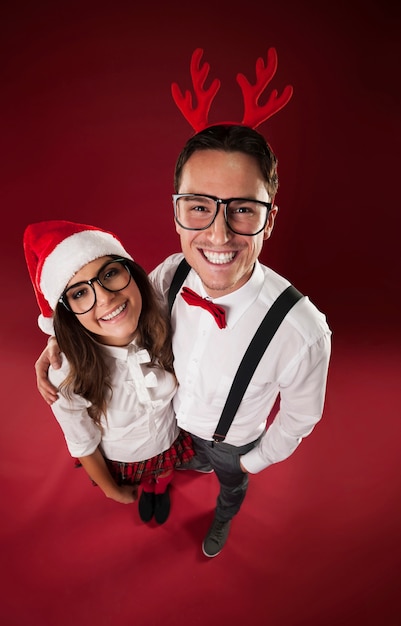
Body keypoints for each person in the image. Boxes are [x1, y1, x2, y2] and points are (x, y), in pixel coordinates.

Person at [34, 125, 331, 557]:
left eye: (243, 209)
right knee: (172, 468)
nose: (218, 235)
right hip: (174, 430)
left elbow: (301, 418)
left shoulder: (303, 332)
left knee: (231, 487)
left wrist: (252, 461)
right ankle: (172, 481)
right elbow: (121, 313)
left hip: (234, 443)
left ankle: (225, 513)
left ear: (269, 221)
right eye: (198, 207)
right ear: (176, 211)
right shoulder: (173, 273)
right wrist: (58, 341)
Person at [24, 219, 194, 526]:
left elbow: (201, 256)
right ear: (66, 313)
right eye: (78, 294)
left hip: (169, 438)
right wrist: (111, 490)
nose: (104, 298)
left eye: (110, 273)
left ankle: (160, 490)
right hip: (123, 457)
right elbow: (82, 441)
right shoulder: (64, 374)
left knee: (164, 474)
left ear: (131, 273)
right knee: (143, 483)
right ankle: (148, 491)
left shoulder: (163, 307)